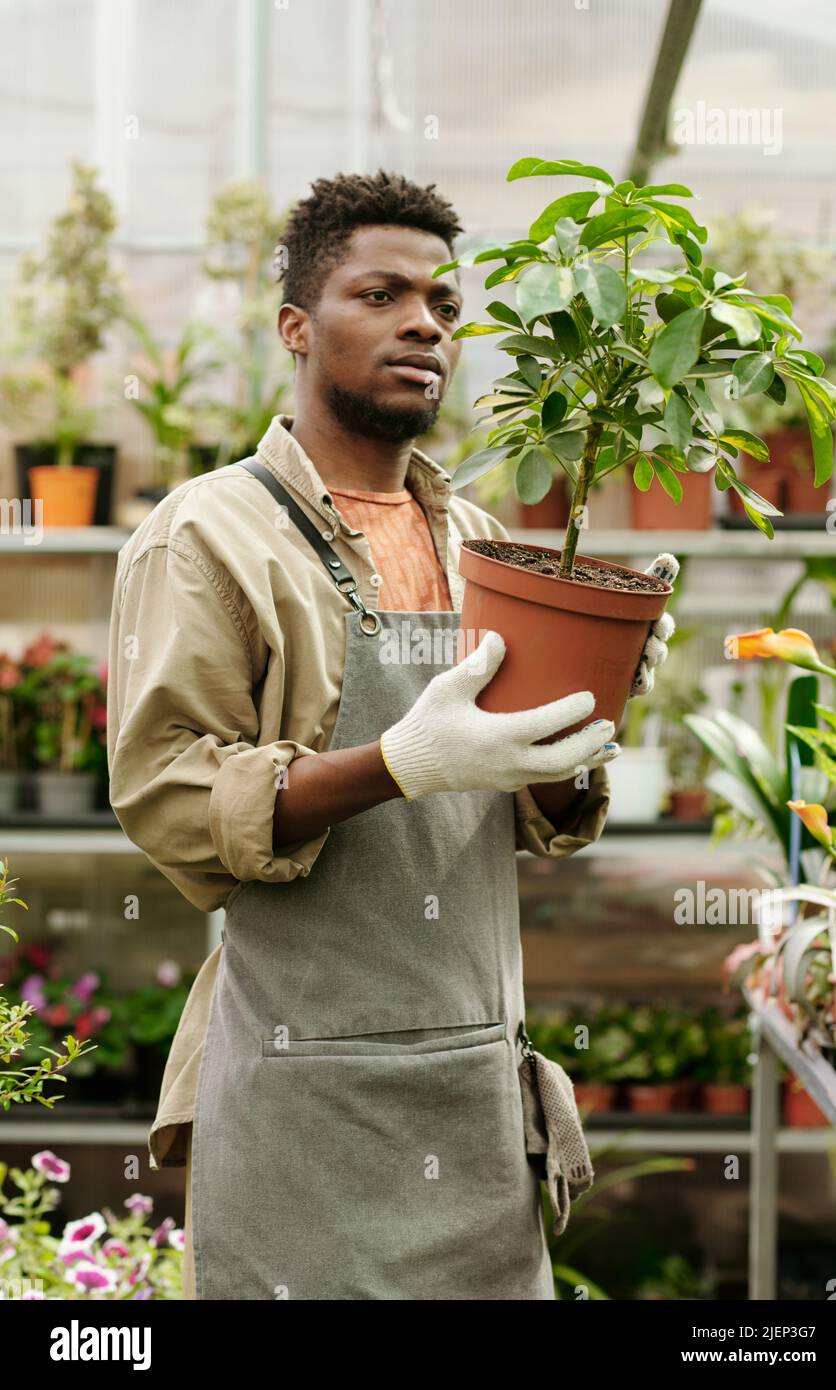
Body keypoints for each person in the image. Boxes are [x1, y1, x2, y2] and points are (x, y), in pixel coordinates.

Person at [107, 169, 675, 1301]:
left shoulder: (479, 537)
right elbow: (170, 794)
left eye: (445, 306)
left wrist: (581, 731)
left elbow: (524, 819)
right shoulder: (210, 535)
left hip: (474, 1097)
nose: (426, 323)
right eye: (382, 294)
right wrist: (398, 763)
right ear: (296, 328)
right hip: (305, 1099)